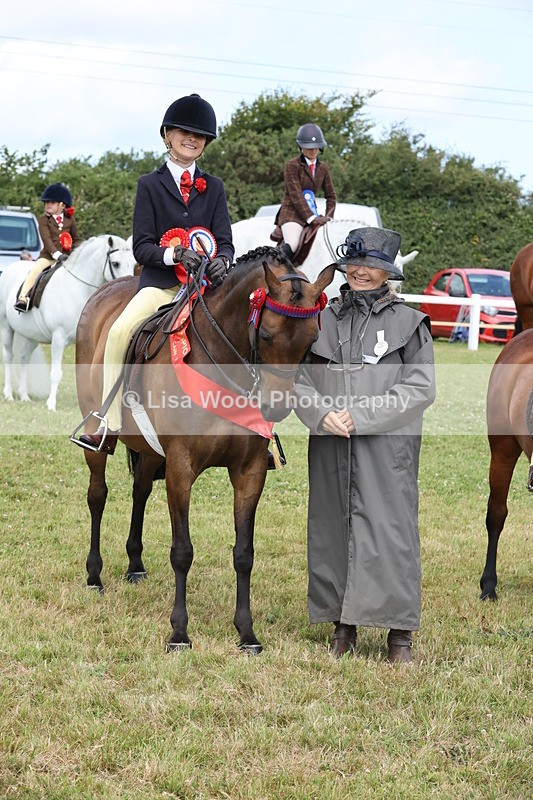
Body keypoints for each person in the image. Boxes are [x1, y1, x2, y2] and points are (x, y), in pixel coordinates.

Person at [293, 227, 436, 663]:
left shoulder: (410, 324)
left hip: (387, 449)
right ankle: (343, 625)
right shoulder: (324, 319)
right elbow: (296, 379)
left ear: (386, 273)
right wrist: (320, 413)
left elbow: (421, 388)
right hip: (331, 444)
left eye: (371, 266)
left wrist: (364, 416)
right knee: (334, 527)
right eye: (354, 264)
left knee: (391, 533)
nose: (360, 272)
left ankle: (399, 634)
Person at [77, 93, 234, 455]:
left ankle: (255, 431)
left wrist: (222, 260)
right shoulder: (150, 184)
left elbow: (224, 242)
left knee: (249, 332)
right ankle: (108, 421)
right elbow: (142, 247)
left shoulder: (215, 188)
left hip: (207, 291)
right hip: (161, 287)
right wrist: (174, 253)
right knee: (118, 331)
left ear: (206, 143)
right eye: (184, 132)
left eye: (200, 135)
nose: (192, 139)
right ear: (167, 135)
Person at [14, 183, 80, 312]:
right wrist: (57, 255)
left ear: (62, 205)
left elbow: (76, 239)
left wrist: (78, 253)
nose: (48, 204)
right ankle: (23, 298)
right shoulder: (43, 220)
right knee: (36, 269)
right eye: (46, 202)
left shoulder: (70, 220)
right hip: (49, 257)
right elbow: (47, 240)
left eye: (52, 202)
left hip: (67, 257)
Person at [275, 123, 336, 261]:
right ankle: (275, 273)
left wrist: (329, 217)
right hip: (292, 214)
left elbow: (331, 195)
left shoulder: (323, 168)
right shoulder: (292, 165)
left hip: (313, 213)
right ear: (301, 146)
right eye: (309, 147)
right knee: (293, 244)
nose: (313, 150)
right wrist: (311, 218)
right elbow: (295, 194)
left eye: (316, 147)